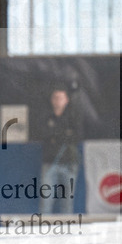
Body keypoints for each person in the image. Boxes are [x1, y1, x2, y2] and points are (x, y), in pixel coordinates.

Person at [40, 84, 84, 215]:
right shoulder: (46, 117)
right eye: (55, 97)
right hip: (49, 164)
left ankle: (66, 234)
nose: (57, 100)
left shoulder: (73, 117)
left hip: (69, 163)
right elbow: (44, 135)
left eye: (60, 98)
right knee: (46, 200)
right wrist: (64, 134)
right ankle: (43, 232)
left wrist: (57, 136)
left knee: (66, 202)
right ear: (51, 100)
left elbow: (77, 136)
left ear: (66, 100)